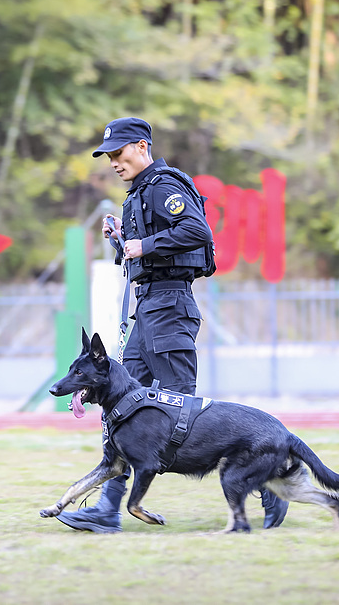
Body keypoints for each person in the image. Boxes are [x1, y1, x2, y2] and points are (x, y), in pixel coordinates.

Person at [56, 116, 289, 533]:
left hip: (170, 306)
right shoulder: (139, 195)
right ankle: (108, 510)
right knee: (120, 407)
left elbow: (196, 230)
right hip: (146, 309)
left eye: (119, 152)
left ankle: (268, 481)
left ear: (142, 147)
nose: (113, 161)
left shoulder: (163, 185)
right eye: (108, 155)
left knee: (180, 404)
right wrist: (120, 241)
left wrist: (142, 244)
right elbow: (144, 252)